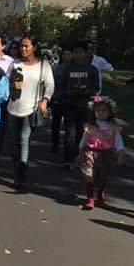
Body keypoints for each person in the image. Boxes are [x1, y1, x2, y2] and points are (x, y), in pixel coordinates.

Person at [5, 36, 54, 190]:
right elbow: (5, 82)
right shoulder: (15, 64)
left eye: (26, 46)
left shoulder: (43, 65)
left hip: (31, 109)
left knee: (24, 139)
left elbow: (50, 84)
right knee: (14, 140)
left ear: (34, 47)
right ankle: (16, 164)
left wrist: (45, 100)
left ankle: (21, 173)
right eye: (21, 46)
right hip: (13, 108)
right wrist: (12, 85)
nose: (23, 49)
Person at [56, 41, 101, 170]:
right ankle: (68, 160)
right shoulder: (67, 69)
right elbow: (61, 86)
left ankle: (78, 156)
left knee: (82, 134)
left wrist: (88, 92)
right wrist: (68, 92)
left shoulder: (92, 69)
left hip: (85, 106)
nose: (78, 55)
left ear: (86, 53)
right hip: (70, 105)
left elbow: (96, 87)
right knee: (70, 133)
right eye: (75, 52)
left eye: (80, 52)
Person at [78, 95, 126, 210]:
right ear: (93, 112)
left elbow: (118, 140)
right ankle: (90, 198)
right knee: (90, 175)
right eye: (98, 110)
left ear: (109, 112)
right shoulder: (90, 126)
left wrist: (120, 152)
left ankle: (100, 194)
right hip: (90, 153)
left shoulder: (113, 127)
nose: (101, 113)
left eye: (104, 111)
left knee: (103, 176)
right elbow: (84, 138)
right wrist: (80, 148)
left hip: (106, 154)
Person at [50, 47, 73, 152]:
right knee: (55, 124)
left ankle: (67, 145)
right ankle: (55, 144)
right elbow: (51, 83)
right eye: (64, 54)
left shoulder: (74, 68)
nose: (66, 56)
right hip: (57, 99)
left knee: (69, 125)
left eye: (69, 54)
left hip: (69, 100)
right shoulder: (56, 68)